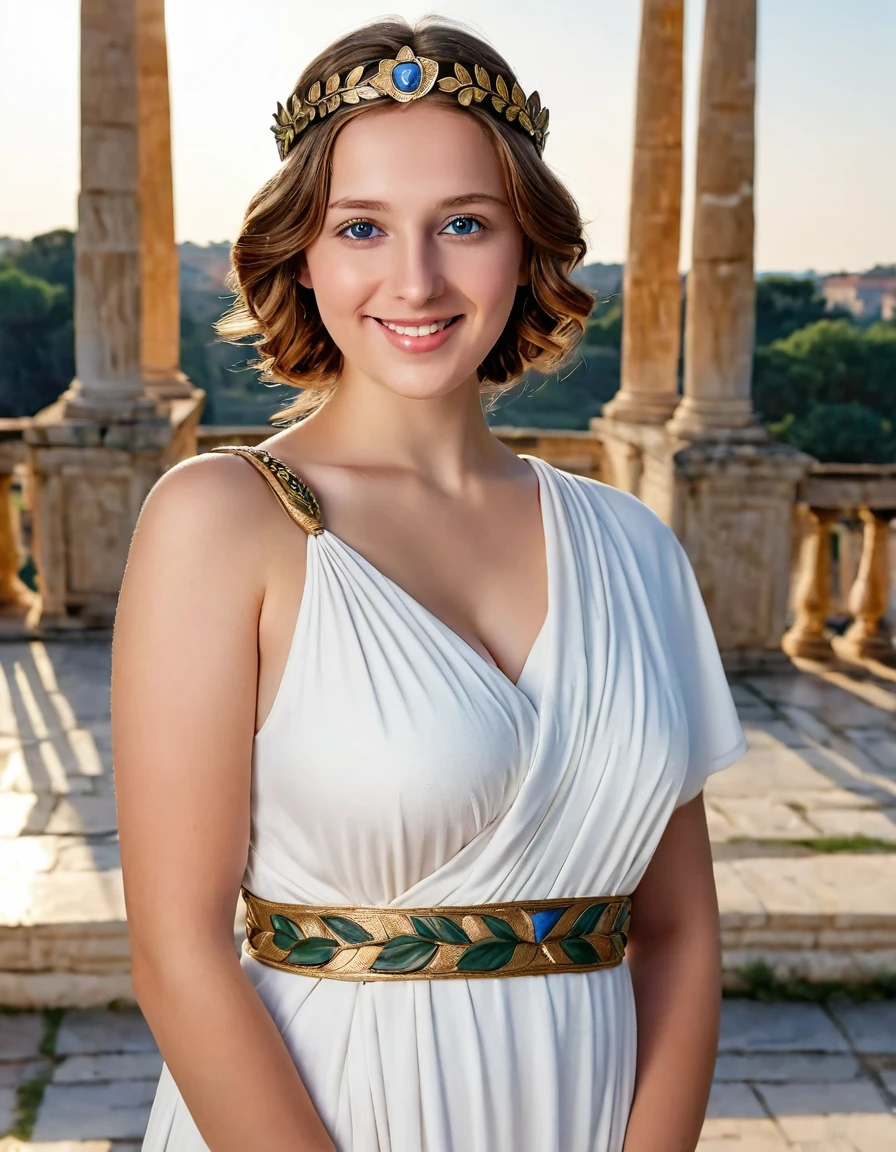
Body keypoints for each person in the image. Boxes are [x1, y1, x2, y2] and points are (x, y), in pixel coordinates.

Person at [112, 16, 748, 1152]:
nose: (415, 278)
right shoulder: (221, 523)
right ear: (301, 257)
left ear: (526, 249)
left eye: (464, 223)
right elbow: (176, 953)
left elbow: (682, 938)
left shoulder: (631, 546)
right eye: (361, 226)